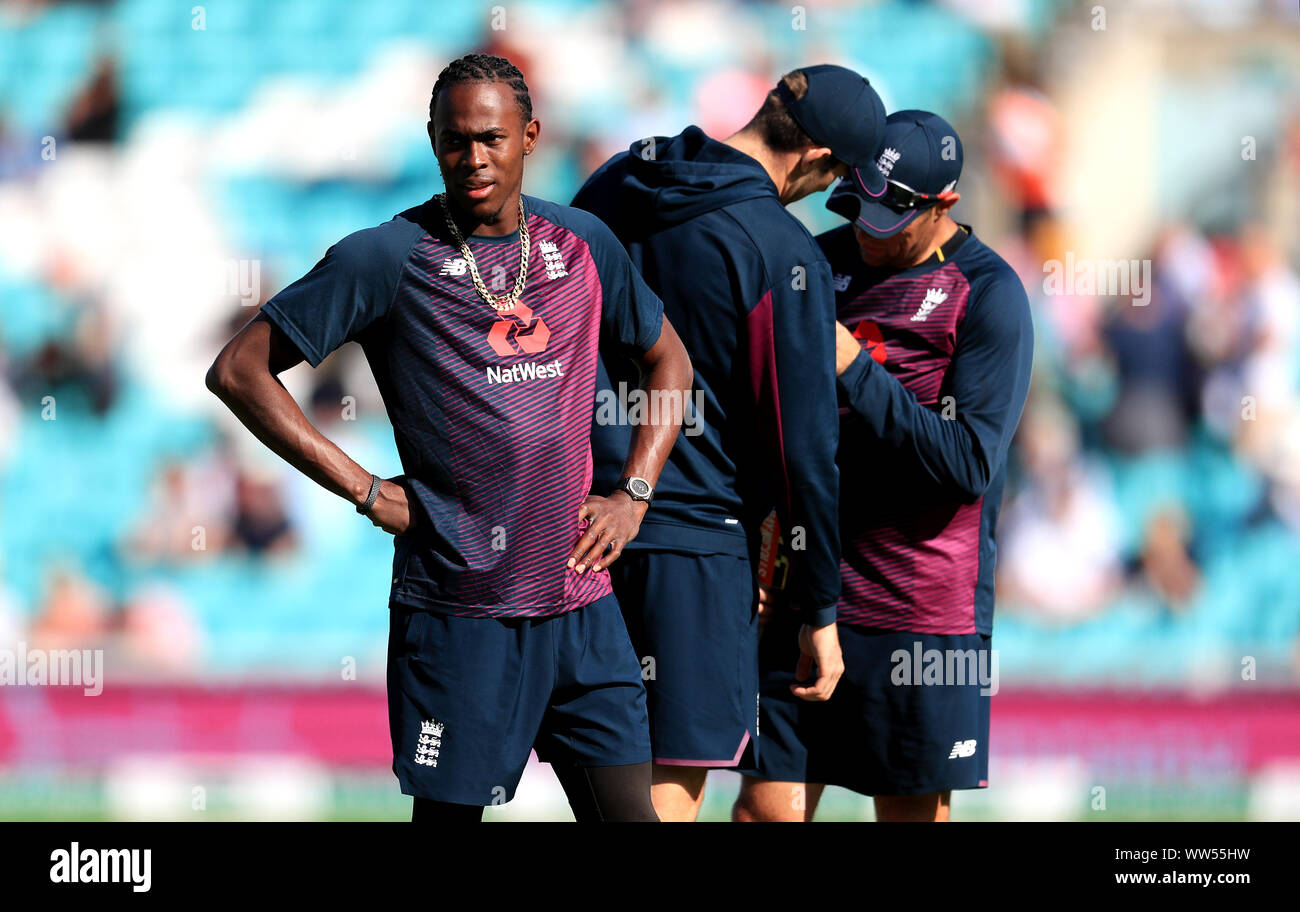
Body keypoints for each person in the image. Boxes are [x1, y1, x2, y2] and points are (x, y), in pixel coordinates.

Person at [206, 53, 693, 823]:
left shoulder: (584, 244)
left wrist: (634, 492)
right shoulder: (387, 257)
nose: (473, 158)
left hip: (581, 604)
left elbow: (668, 359)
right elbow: (240, 371)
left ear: (531, 136)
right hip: (461, 610)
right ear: (432, 141)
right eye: (455, 140)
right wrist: (363, 487)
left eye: (492, 139)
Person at [572, 65, 887, 820]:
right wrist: (818, 608)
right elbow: (802, 451)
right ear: (817, 161)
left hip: (576, 527)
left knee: (602, 794)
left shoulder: (620, 181)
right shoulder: (784, 253)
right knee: (663, 801)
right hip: (693, 548)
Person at [735, 111, 1034, 822]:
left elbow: (964, 467)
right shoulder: (816, 262)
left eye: (889, 215)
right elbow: (766, 423)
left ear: (942, 206)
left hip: (921, 611)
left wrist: (852, 368)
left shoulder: (989, 296)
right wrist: (763, 546)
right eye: (859, 205)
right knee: (762, 812)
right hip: (810, 595)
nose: (868, 227)